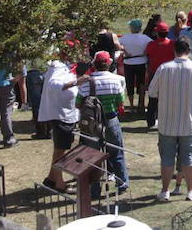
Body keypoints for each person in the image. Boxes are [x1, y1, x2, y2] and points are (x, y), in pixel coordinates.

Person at [147, 37, 192, 202]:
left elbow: (152, 92)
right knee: (190, 157)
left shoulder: (164, 68)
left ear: (174, 50)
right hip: (188, 121)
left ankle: (165, 191)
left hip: (167, 121)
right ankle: (191, 190)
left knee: (167, 158)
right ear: (189, 50)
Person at [76, 51, 129, 193]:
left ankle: (94, 188)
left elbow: (78, 103)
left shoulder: (87, 81)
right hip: (111, 119)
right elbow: (120, 101)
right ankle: (122, 182)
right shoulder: (116, 80)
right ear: (109, 64)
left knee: (92, 156)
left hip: (92, 123)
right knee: (117, 152)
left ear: (94, 64)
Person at [37, 51, 79, 193]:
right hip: (60, 114)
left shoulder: (66, 66)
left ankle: (51, 178)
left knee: (61, 148)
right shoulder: (58, 67)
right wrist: (77, 82)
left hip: (67, 112)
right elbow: (54, 85)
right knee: (60, 150)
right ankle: (59, 183)